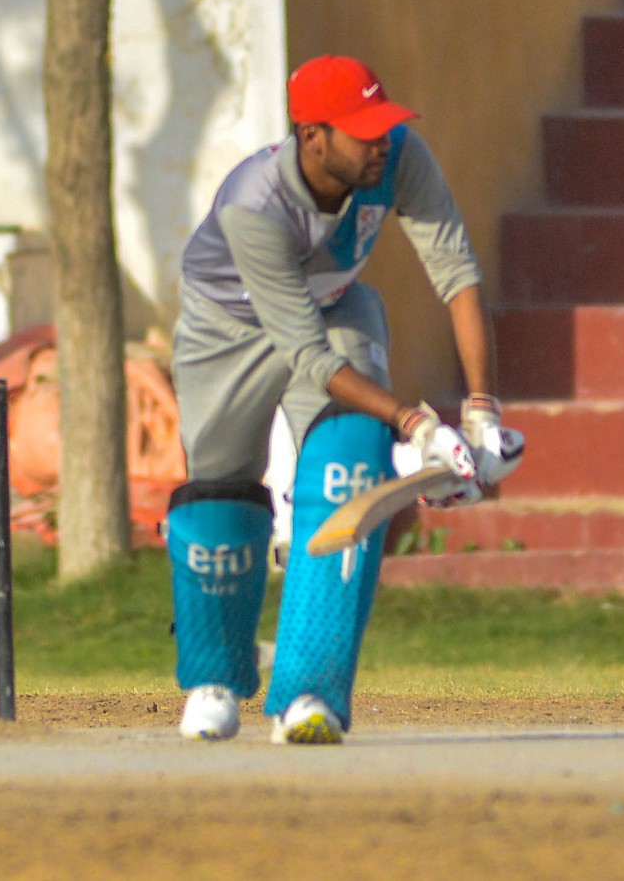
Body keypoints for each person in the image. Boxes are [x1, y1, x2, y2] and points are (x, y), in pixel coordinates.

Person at [165, 54, 523, 745]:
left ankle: (309, 692)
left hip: (335, 306)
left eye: (383, 125)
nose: (380, 143)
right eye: (363, 132)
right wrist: (416, 424)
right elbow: (308, 357)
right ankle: (215, 679)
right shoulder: (253, 205)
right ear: (312, 136)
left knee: (351, 463)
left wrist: (482, 411)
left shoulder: (399, 156)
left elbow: (456, 272)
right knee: (219, 493)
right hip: (228, 325)